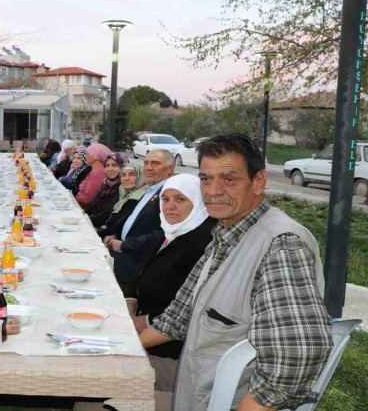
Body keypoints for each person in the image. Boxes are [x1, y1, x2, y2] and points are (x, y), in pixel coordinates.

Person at [139, 134, 332, 410]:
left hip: (222, 398)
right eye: (205, 179)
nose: (213, 191)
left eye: (229, 179)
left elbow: (297, 355)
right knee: (102, 378)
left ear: (259, 182)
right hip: (194, 380)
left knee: (94, 403)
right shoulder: (225, 234)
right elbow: (177, 319)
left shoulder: (281, 244)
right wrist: (120, 350)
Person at [125, 174, 217, 359]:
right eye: (165, 199)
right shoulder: (168, 232)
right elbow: (139, 271)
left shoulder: (205, 244)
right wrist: (130, 301)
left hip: (167, 348)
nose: (170, 206)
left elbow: (192, 308)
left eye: (180, 199)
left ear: (198, 201)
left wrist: (143, 322)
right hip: (138, 329)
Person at [103, 149, 174, 287]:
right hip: (121, 249)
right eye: (146, 163)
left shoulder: (168, 193)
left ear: (170, 169)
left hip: (136, 261)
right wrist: (115, 235)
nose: (149, 168)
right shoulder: (149, 189)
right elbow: (133, 218)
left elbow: (163, 233)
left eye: (155, 163)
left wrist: (124, 245)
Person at [94, 165, 145, 232]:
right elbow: (108, 213)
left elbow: (121, 225)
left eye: (132, 175)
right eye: (123, 175)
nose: (126, 178)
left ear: (140, 177)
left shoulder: (138, 198)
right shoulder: (122, 191)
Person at [84, 152, 128, 224]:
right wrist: (82, 212)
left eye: (115, 165)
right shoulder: (106, 184)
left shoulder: (123, 188)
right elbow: (93, 204)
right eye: (107, 165)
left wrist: (86, 219)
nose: (110, 169)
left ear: (123, 167)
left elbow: (107, 214)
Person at [75, 143, 113, 207]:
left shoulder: (99, 172)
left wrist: (73, 199)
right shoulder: (94, 170)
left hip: (85, 208)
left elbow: (89, 198)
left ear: (95, 156)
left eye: (87, 154)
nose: (84, 156)